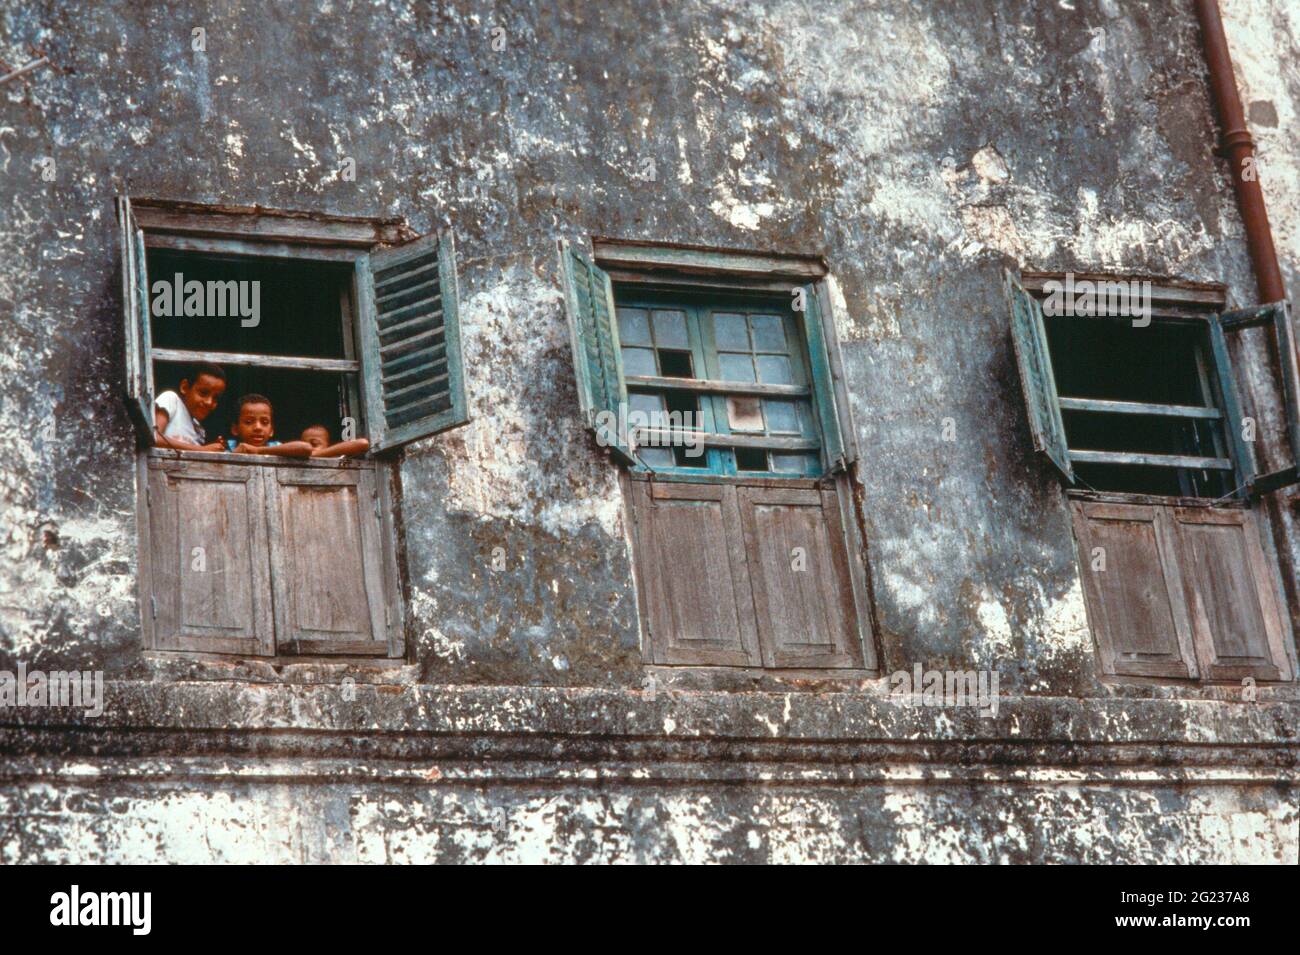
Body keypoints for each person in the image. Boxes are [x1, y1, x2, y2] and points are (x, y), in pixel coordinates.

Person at [153, 363, 227, 451]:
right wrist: (201, 450)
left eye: (215, 398)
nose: (209, 402)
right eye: (203, 393)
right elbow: (154, 437)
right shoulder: (171, 399)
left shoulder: (199, 430)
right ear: (185, 387)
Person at [224, 394, 312, 457]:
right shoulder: (226, 447)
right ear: (235, 429)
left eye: (265, 422)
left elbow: (306, 448)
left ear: (271, 430)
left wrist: (258, 451)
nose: (258, 427)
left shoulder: (276, 447)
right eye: (249, 422)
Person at [301, 424, 370, 458]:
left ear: (328, 446)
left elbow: (363, 443)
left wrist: (315, 454)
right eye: (303, 444)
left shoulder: (337, 459)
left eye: (314, 444)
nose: (308, 448)